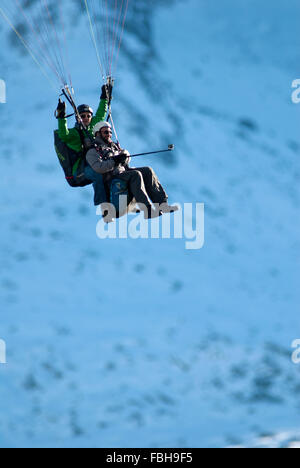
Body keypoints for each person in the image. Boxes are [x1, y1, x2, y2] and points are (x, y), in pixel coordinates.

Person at [85, 121, 178, 220]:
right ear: (98, 134)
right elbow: (98, 168)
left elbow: (126, 157)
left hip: (123, 172)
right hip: (111, 177)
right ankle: (147, 209)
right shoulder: (93, 151)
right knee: (135, 175)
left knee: (147, 170)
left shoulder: (113, 146)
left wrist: (124, 156)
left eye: (110, 132)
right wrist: (114, 161)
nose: (109, 134)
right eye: (106, 132)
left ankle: (163, 205)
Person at [55, 84, 112, 203]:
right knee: (98, 174)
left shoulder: (94, 127)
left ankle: (121, 201)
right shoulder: (75, 134)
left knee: (115, 169)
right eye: (82, 116)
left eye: (88, 116)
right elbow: (63, 134)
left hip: (96, 164)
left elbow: (101, 112)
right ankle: (104, 206)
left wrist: (104, 97)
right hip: (80, 172)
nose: (85, 118)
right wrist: (61, 117)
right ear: (78, 118)